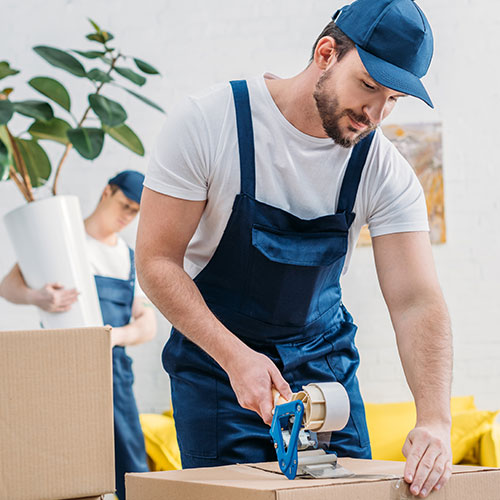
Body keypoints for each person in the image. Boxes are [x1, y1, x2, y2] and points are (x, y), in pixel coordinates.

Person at [136, 0, 452, 498]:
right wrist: (236, 358)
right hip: (220, 365)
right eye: (368, 87)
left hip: (324, 369)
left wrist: (435, 418)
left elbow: (417, 301)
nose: (375, 114)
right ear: (326, 53)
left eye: (393, 100)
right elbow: (155, 262)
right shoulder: (209, 123)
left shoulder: (382, 168)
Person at [0, 170, 156, 500]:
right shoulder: (62, 240)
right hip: (57, 366)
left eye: (135, 211)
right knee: (60, 462)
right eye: (125, 205)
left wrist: (112, 336)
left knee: (129, 463)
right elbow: (8, 286)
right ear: (106, 192)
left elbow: (147, 324)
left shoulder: (130, 258)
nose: (127, 217)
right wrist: (37, 296)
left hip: (112, 372)